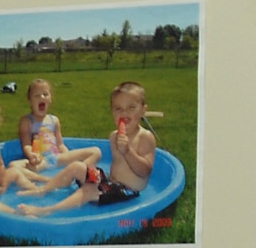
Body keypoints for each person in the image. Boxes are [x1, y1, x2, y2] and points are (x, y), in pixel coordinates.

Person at [21, 82, 160, 215]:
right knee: (77, 166)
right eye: (118, 108)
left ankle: (47, 210)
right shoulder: (114, 136)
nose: (124, 113)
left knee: (90, 189)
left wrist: (128, 151)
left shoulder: (145, 137)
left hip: (128, 190)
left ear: (143, 110)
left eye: (131, 107)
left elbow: (145, 171)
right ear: (112, 112)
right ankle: (43, 190)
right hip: (110, 182)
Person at [16, 78, 102, 179]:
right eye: (36, 95)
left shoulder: (54, 120)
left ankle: (74, 173)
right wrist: (31, 155)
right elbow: (26, 144)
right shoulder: (27, 121)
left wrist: (68, 156)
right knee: (14, 167)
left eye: (45, 94)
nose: (42, 97)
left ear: (51, 98)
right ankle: (47, 180)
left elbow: (60, 144)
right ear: (29, 100)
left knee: (96, 152)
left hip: (57, 157)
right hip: (41, 160)